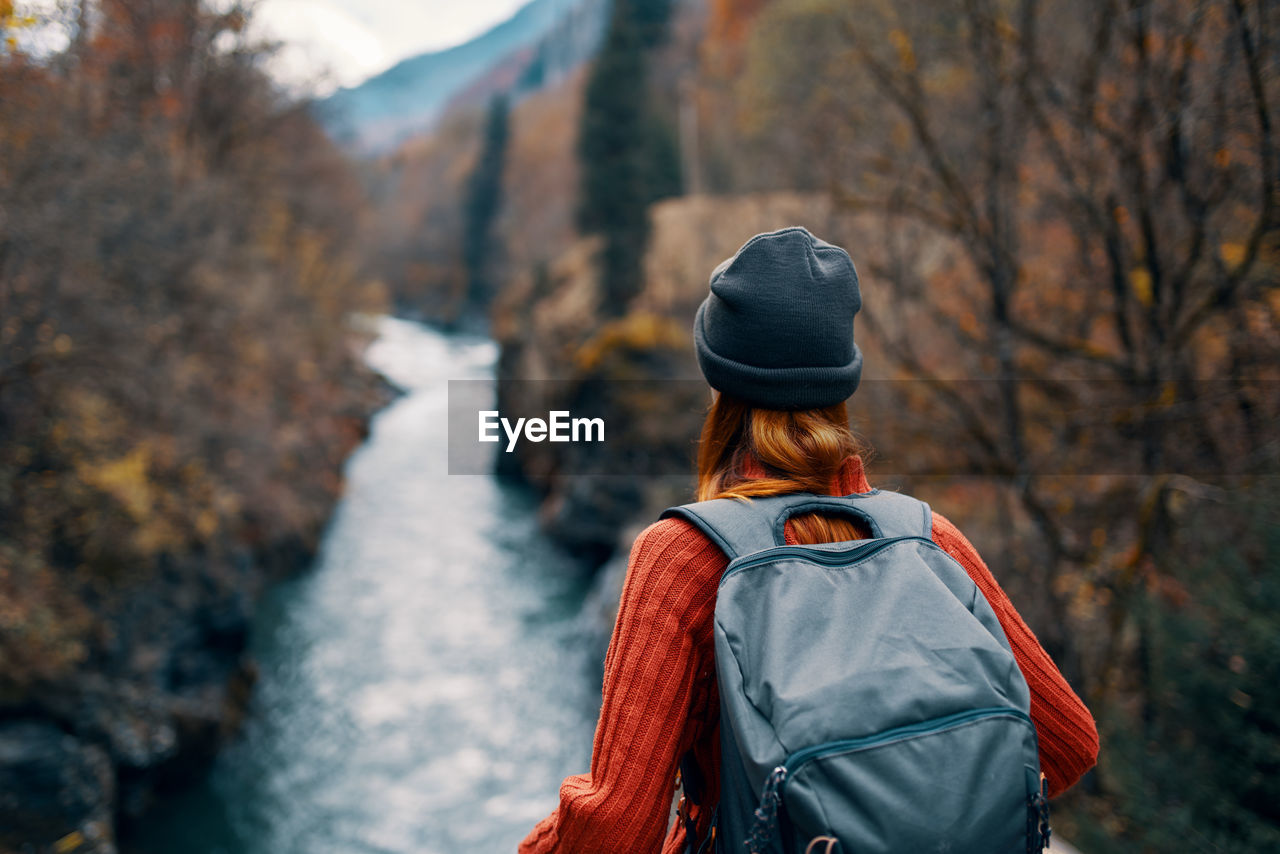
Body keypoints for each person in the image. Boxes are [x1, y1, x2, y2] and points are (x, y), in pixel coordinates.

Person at [518, 227, 1099, 854]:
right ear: (841, 383)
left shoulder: (681, 558)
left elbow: (615, 828)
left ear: (720, 385)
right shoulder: (931, 539)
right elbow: (1068, 745)